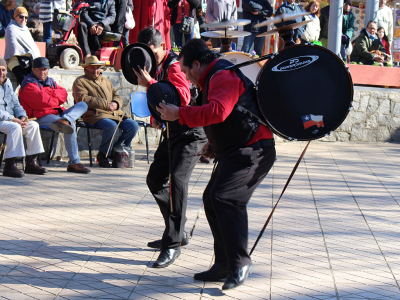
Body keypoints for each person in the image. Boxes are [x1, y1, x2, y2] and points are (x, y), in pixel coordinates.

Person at [157, 38, 276, 290]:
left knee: (225, 198)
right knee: (212, 199)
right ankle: (224, 263)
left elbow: (218, 111)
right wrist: (213, 142)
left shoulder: (222, 76)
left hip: (254, 151)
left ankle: (240, 263)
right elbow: (227, 116)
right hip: (237, 151)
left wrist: (180, 113)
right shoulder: (213, 77)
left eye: (187, 71)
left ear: (197, 64)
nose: (187, 78)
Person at [134, 27, 207, 268]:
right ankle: (176, 231)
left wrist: (151, 83)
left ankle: (173, 243)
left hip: (191, 132)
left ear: (163, 47)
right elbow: (164, 103)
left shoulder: (175, 65)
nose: (150, 57)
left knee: (177, 181)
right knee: (155, 179)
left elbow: (183, 99)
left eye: (152, 52)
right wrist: (158, 117)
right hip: (173, 130)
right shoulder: (158, 65)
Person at [19, 57, 91, 174]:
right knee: (70, 124)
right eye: (39, 69)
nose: (42, 72)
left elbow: (63, 94)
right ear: (33, 69)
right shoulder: (28, 82)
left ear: (48, 69)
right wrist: (54, 95)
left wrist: (49, 95)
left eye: (45, 69)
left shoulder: (50, 81)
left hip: (57, 114)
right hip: (40, 116)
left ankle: (65, 119)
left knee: (83, 105)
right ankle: (74, 162)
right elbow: (42, 102)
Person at [72, 56, 139, 168]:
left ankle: (116, 151)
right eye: (93, 68)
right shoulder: (80, 81)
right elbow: (83, 99)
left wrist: (116, 104)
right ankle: (103, 154)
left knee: (133, 125)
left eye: (98, 67)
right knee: (111, 126)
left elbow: (116, 96)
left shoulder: (106, 80)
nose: (96, 70)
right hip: (94, 114)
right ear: (86, 68)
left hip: (113, 114)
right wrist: (105, 104)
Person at [0, 56, 47, 178]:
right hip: (4, 120)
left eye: (3, 69)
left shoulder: (8, 83)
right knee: (14, 127)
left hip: (11, 121)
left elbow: (16, 104)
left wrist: (22, 117)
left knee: (33, 125)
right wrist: (12, 119)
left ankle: (31, 163)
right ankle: (10, 165)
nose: (2, 73)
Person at [4, 6, 40, 85]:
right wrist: (28, 52)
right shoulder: (11, 28)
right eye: (21, 17)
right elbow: (14, 48)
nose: (24, 19)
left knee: (36, 82)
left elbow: (32, 46)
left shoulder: (26, 29)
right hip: (15, 61)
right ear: (15, 17)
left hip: (28, 60)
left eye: (26, 17)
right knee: (26, 83)